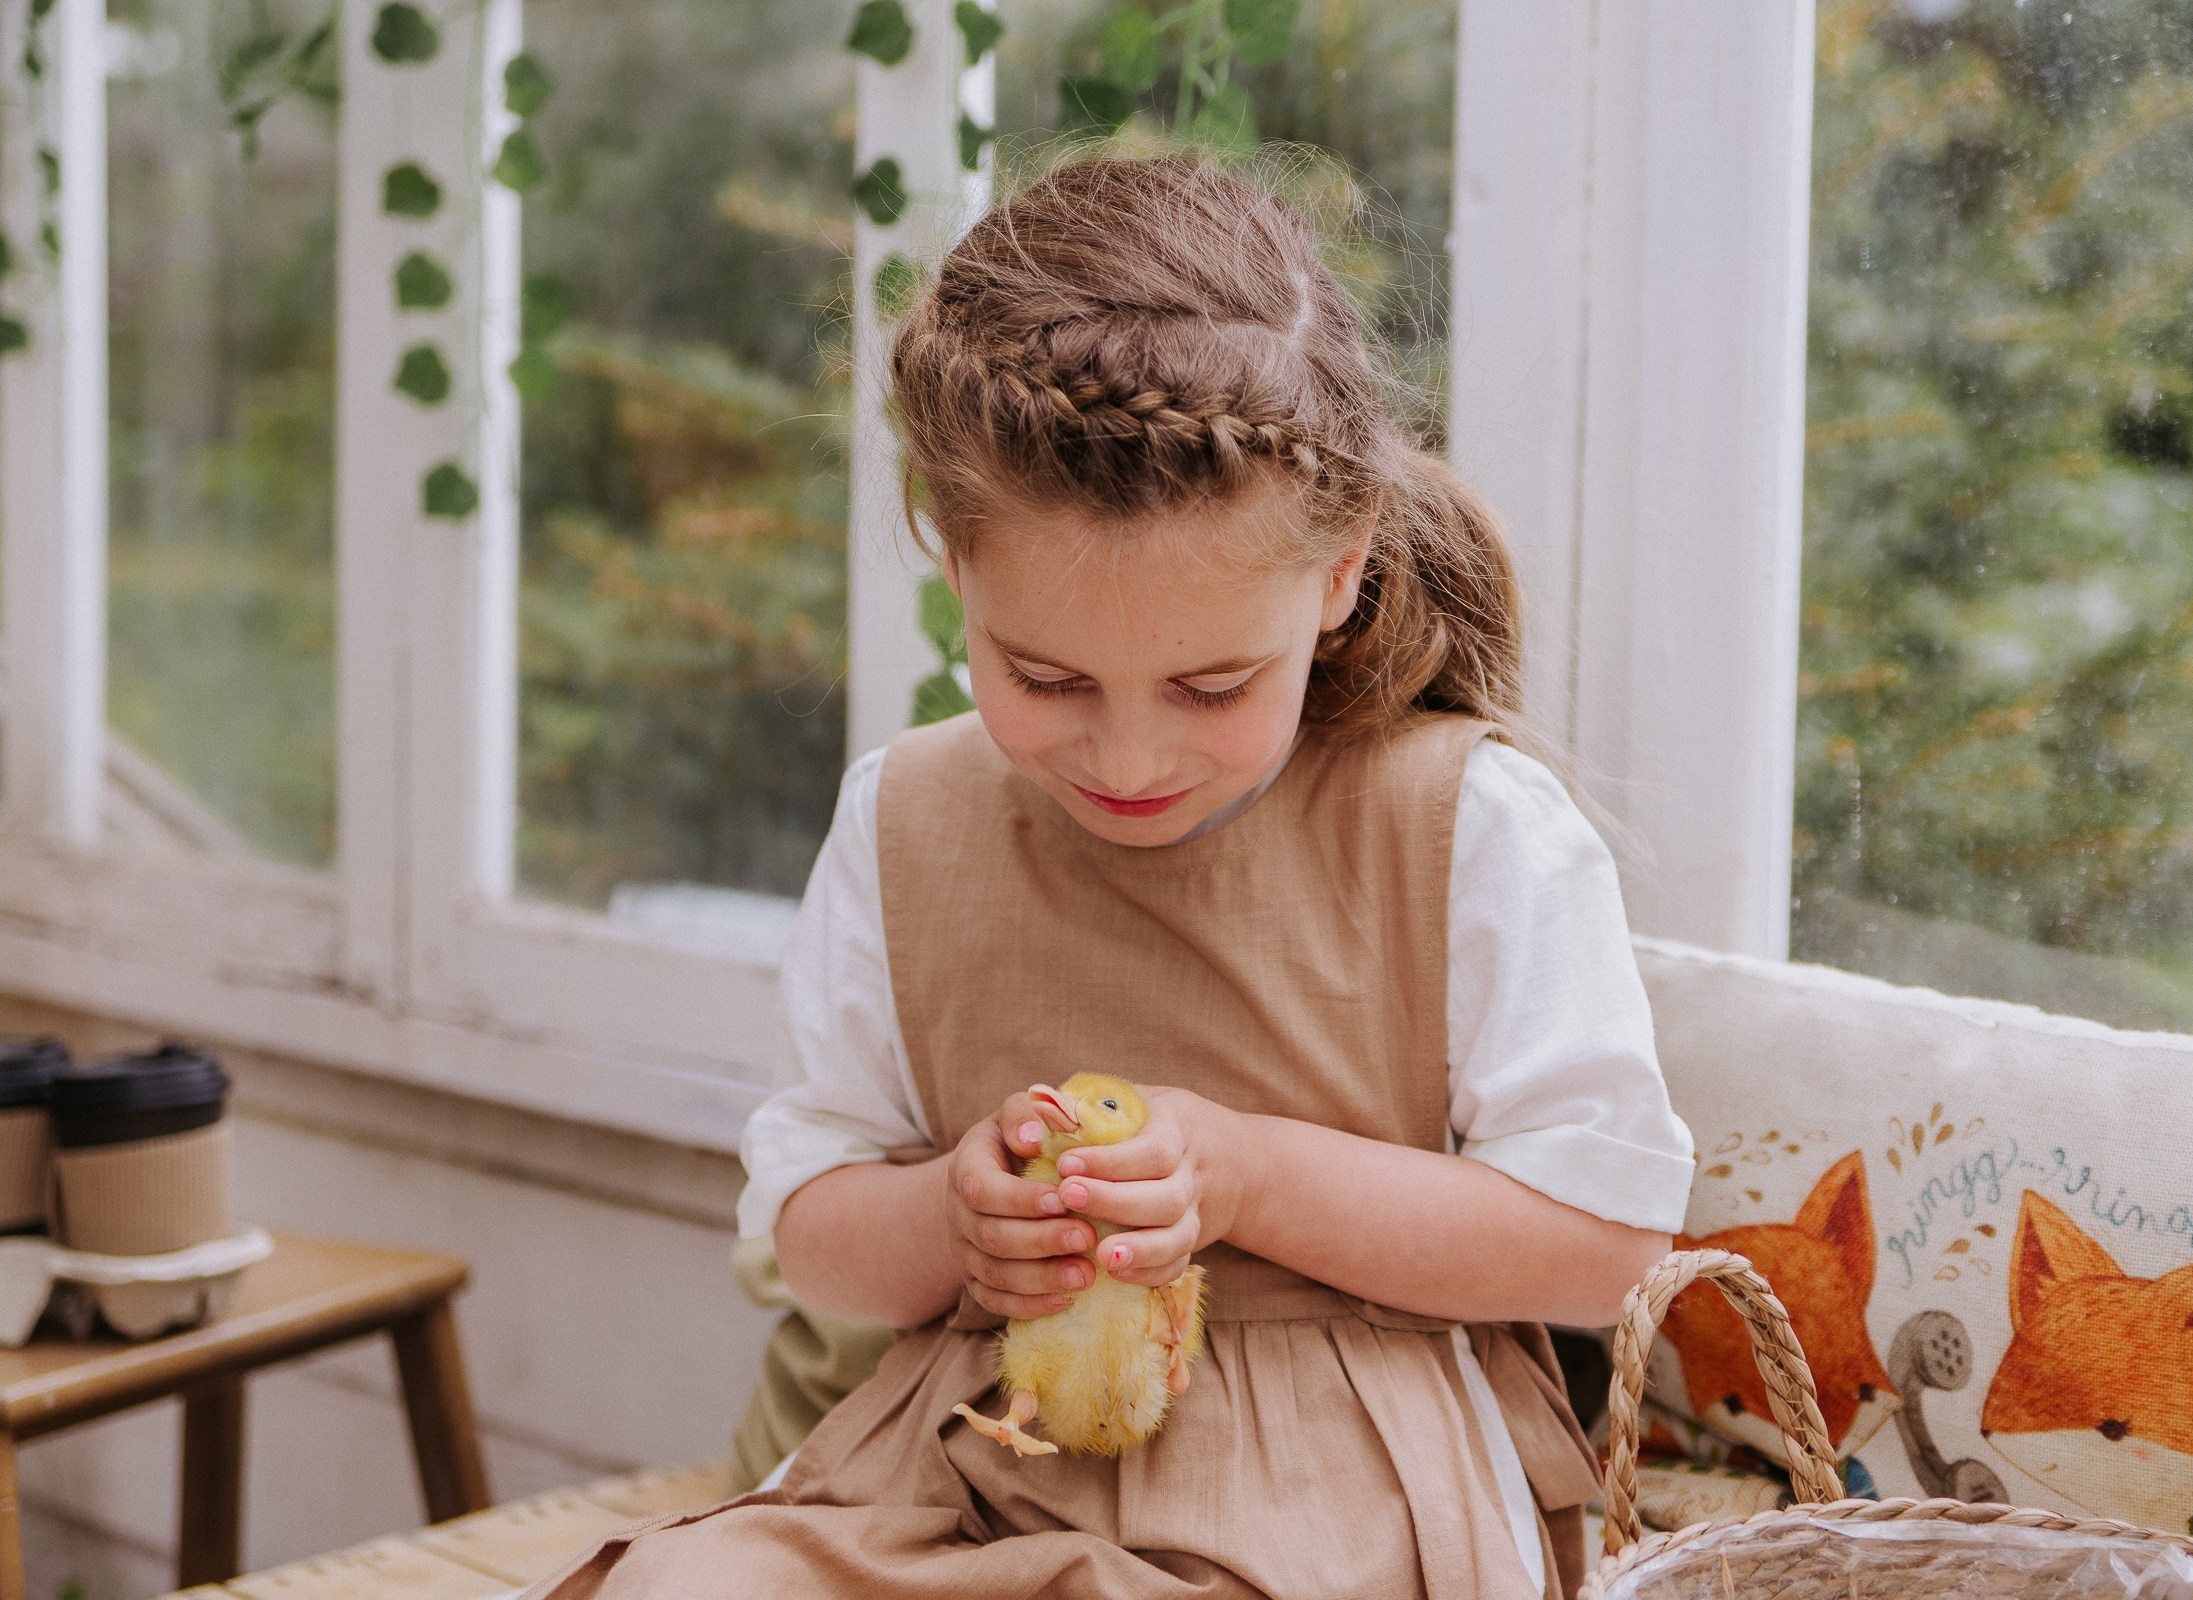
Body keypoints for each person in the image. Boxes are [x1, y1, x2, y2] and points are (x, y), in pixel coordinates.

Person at [524, 154, 1694, 1600]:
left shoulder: (1463, 825)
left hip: (1332, 1492)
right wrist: (953, 1220)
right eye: (1048, 675)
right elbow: (816, 1232)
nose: (1129, 756)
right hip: (966, 1465)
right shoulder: (908, 816)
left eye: (1212, 684)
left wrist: (1248, 1173)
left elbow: (1602, 1247)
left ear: (1337, 578)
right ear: (951, 557)